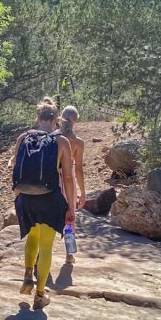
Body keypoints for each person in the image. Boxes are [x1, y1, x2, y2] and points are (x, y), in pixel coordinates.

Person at [10, 100, 77, 309]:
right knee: (46, 246)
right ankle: (40, 295)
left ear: (38, 118)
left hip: (26, 198)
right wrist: (71, 207)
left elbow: (15, 168)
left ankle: (28, 276)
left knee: (32, 236)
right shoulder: (62, 142)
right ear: (56, 119)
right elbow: (67, 178)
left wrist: (19, 194)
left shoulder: (23, 138)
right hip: (50, 198)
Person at [58, 105, 86, 264]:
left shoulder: (54, 138)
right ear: (75, 121)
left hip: (53, 179)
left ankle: (39, 256)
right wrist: (82, 192)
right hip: (69, 183)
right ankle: (69, 254)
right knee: (70, 219)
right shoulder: (78, 143)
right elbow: (79, 170)